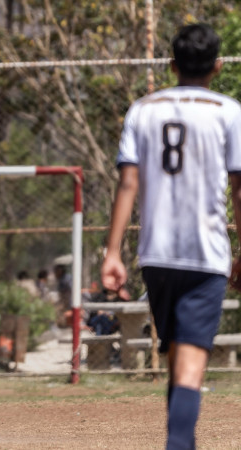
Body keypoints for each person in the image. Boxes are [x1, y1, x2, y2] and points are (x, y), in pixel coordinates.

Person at [101, 24, 241, 450]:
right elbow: (239, 188)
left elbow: (128, 183)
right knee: (190, 367)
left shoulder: (143, 109)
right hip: (206, 255)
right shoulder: (229, 112)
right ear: (218, 66)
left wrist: (112, 252)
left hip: (156, 256)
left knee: (179, 359)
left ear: (172, 65)